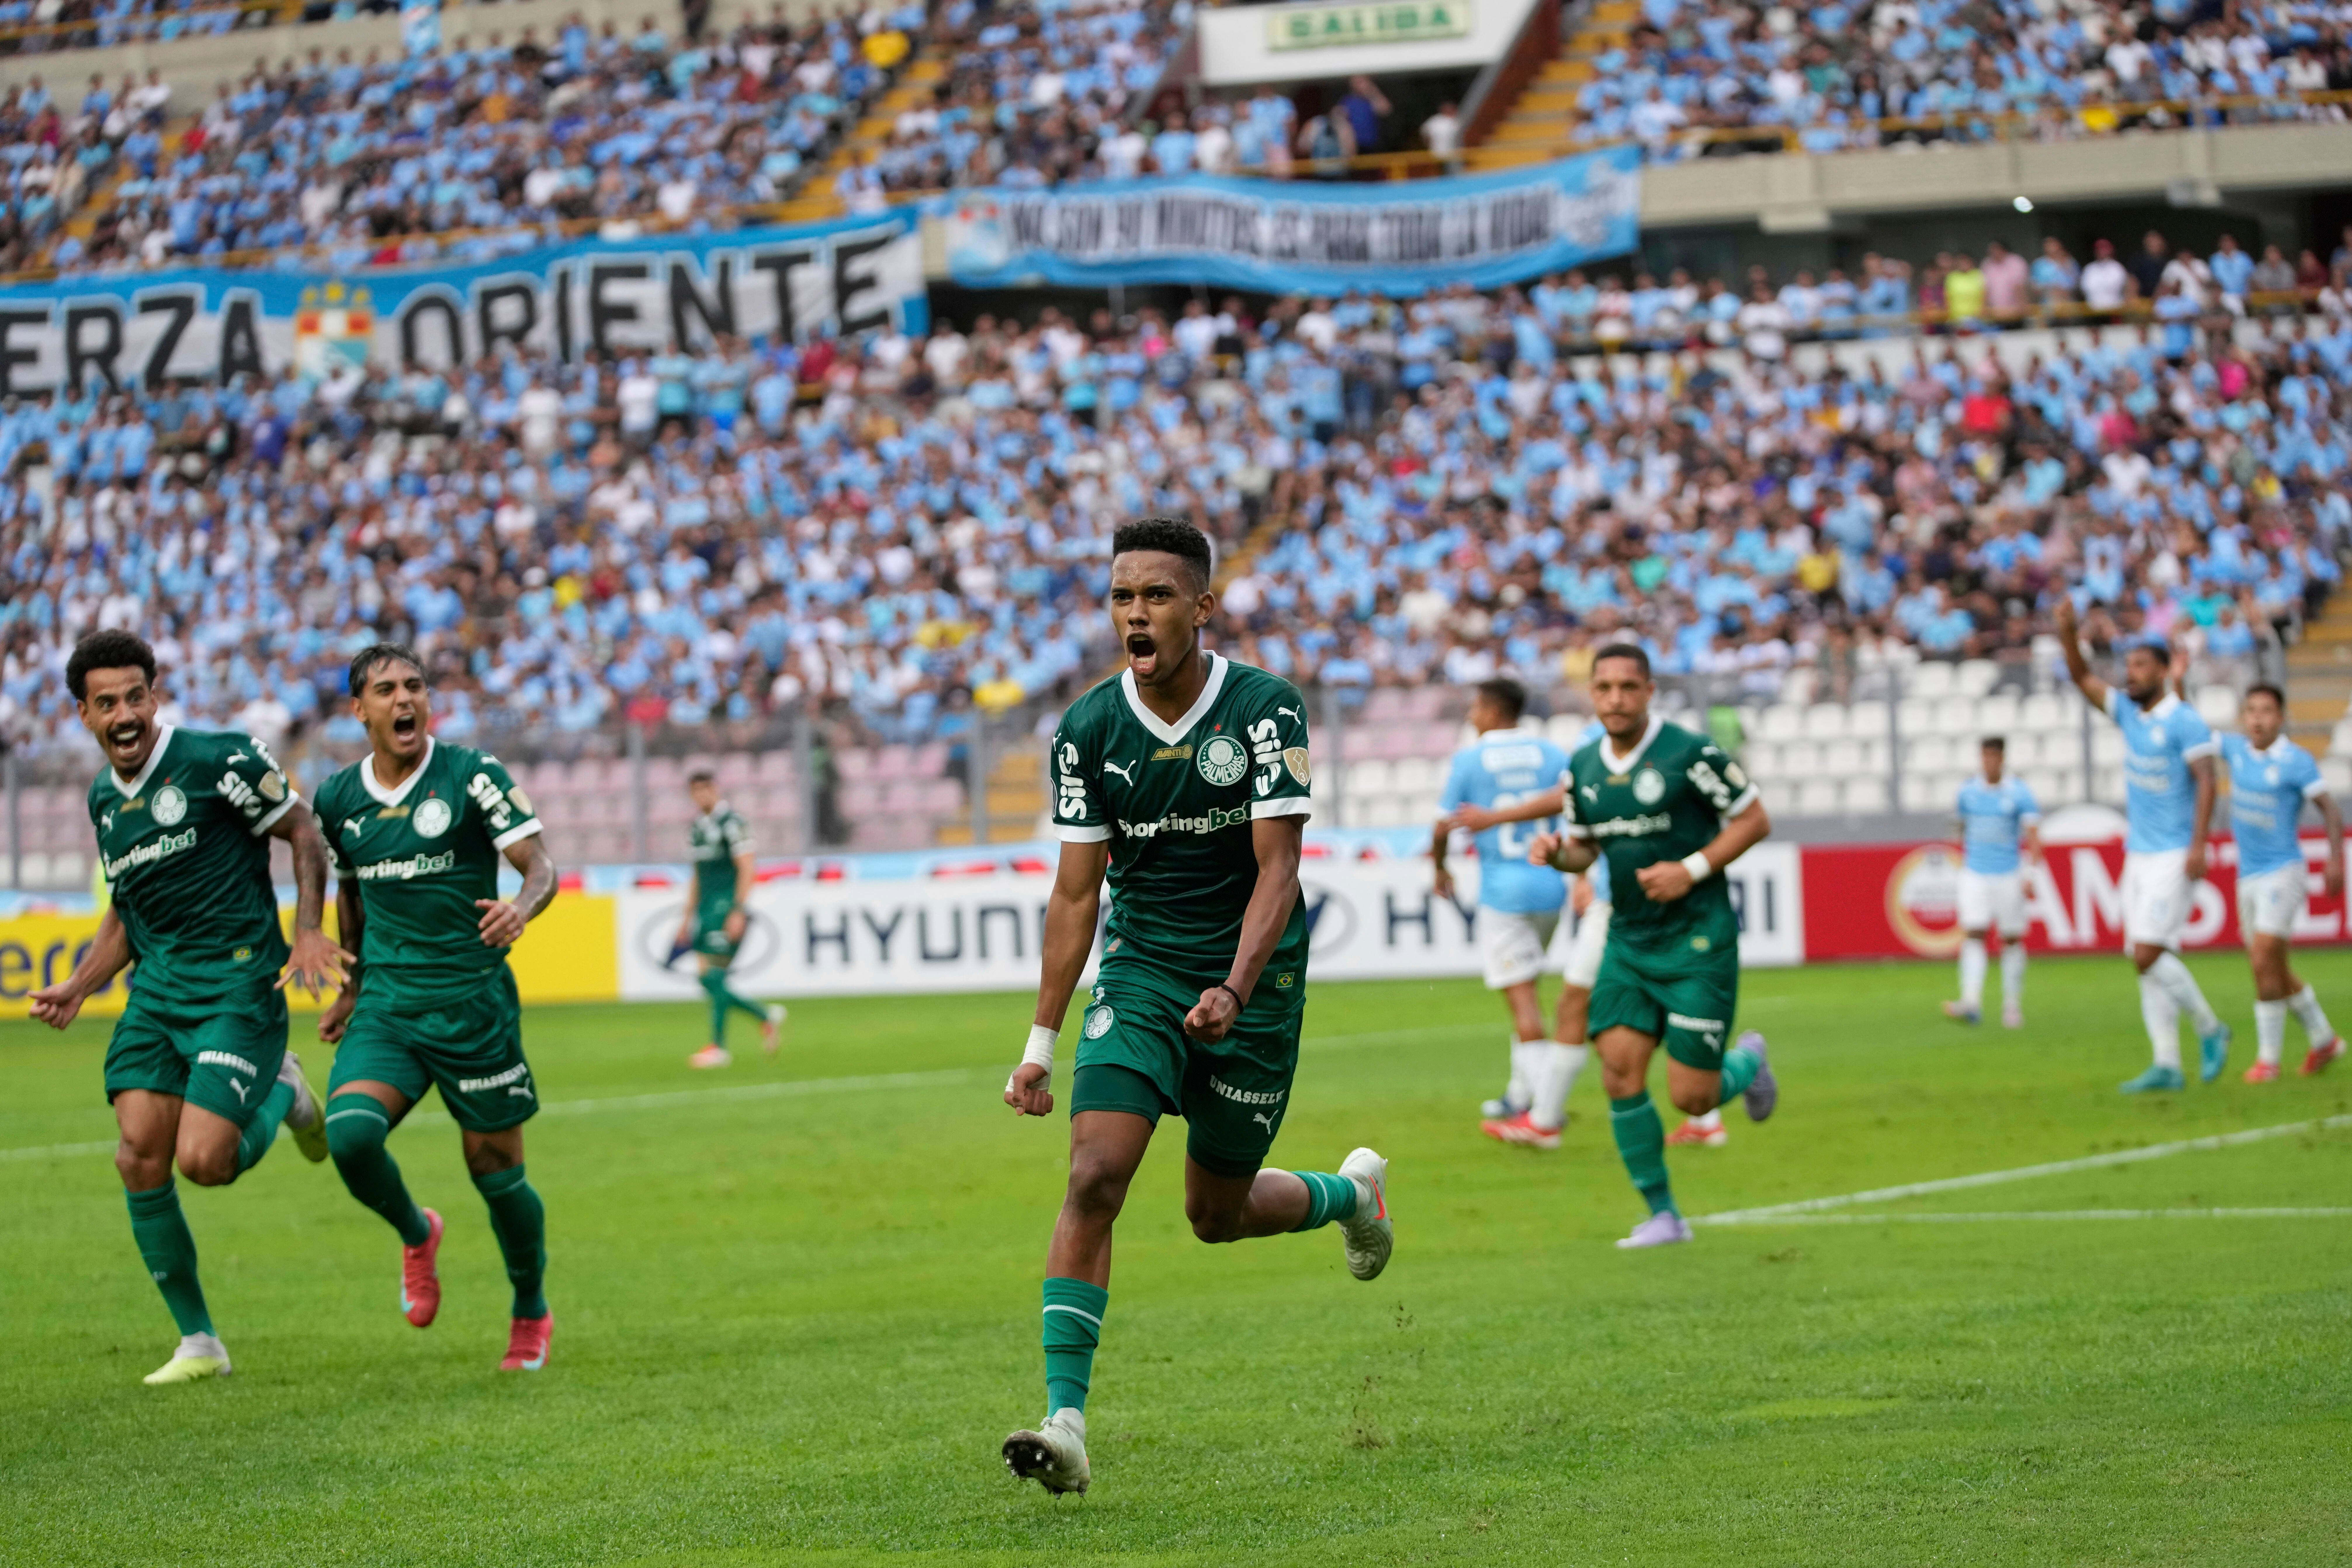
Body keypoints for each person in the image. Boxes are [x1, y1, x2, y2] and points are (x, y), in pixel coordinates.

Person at [999, 516, 1391, 1495]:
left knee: (1214, 1213)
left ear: (1202, 608)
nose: (1137, 613)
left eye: (1158, 595)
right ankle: (1066, 1419)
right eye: (1123, 596)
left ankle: (1351, 1196)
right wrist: (1040, 1042)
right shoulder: (1088, 728)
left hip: (1251, 985)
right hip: (1140, 974)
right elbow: (1077, 892)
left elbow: (1281, 867)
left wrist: (1234, 987)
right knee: (1096, 1171)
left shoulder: (1264, 709)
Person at [28, 629, 345, 1386]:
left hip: (238, 984)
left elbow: (304, 832)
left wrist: (307, 930)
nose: (125, 712)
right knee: (139, 1151)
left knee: (204, 1160)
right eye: (107, 702)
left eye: (136, 695)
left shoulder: (218, 759)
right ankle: (199, 1339)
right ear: (84, 714)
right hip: (159, 993)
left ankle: (285, 1091)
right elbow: (127, 911)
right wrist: (79, 982)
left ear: (155, 695)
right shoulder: (103, 796)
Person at [312, 645, 563, 1372]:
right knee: (351, 1137)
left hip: (471, 1006)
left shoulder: (470, 774)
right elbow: (351, 890)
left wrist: (520, 908)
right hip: (389, 1005)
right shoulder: (337, 799)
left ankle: (529, 1308)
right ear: (358, 709)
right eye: (386, 690)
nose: (404, 700)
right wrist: (352, 986)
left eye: (415, 687)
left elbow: (541, 864)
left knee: (497, 1173)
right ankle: (417, 1230)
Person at [1528, 644, 1777, 1250]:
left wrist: (1689, 868)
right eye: (1604, 687)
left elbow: (1753, 819)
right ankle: (1663, 1214)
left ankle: (1745, 1064)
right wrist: (1560, 855)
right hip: (1629, 943)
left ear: (1649, 691)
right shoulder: (1582, 765)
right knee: (1617, 1071)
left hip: (1696, 941)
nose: (1615, 698)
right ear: (1591, 693)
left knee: (1691, 1096)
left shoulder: (1689, 754)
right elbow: (1587, 846)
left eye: (1627, 687)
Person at [2051, 598, 2231, 1092]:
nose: (2129, 674)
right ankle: (2168, 1063)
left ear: (2162, 671)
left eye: (2139, 666)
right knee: (2145, 959)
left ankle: (2213, 1029)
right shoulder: (2130, 713)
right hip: (2140, 851)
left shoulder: (2184, 720)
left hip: (2175, 851)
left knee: (2147, 953)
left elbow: (2208, 781)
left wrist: (2200, 845)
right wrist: (2068, 634)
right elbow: (2084, 679)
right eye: (2127, 665)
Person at [1429, 678, 1584, 1149]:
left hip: (1504, 894)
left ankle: (1542, 1110)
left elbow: (1442, 824)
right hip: (1551, 883)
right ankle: (1520, 1093)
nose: (1472, 715)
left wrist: (1439, 866)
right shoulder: (1551, 752)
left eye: (1476, 706)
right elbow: (1573, 802)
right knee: (1528, 988)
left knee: (1523, 1003)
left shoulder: (1470, 759)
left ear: (1494, 711)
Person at [2213, 684, 2344, 1080]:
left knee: (2261, 959)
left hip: (2283, 871)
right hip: (2246, 876)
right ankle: (2324, 1040)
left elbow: (2330, 811)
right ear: (2242, 716)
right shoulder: (2235, 749)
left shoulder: (2295, 760)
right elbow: (2189, 729)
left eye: (2266, 711)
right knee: (2274, 969)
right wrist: (2180, 681)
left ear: (2280, 717)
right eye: (2250, 710)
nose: (2257, 718)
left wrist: (2335, 859)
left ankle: (2267, 1060)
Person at [679, 767, 786, 1069]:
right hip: (705, 910)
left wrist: (738, 910)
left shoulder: (733, 823)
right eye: (695, 791)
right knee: (709, 978)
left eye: (706, 789)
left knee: (712, 975)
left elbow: (747, 868)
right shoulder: (697, 829)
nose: (701, 796)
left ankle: (719, 1046)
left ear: (716, 789)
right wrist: (686, 917)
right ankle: (764, 1017)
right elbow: (697, 877)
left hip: (725, 909)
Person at [1944, 738, 2041, 1028]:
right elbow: (1959, 827)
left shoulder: (2019, 792)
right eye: (1984, 756)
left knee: (2011, 938)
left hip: (2008, 874)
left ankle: (2012, 1006)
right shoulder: (1967, 792)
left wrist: (2030, 875)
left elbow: (2034, 838)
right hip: (1975, 872)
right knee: (1974, 933)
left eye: (1993, 756)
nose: (1988, 761)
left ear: (2002, 758)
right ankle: (1970, 1002)